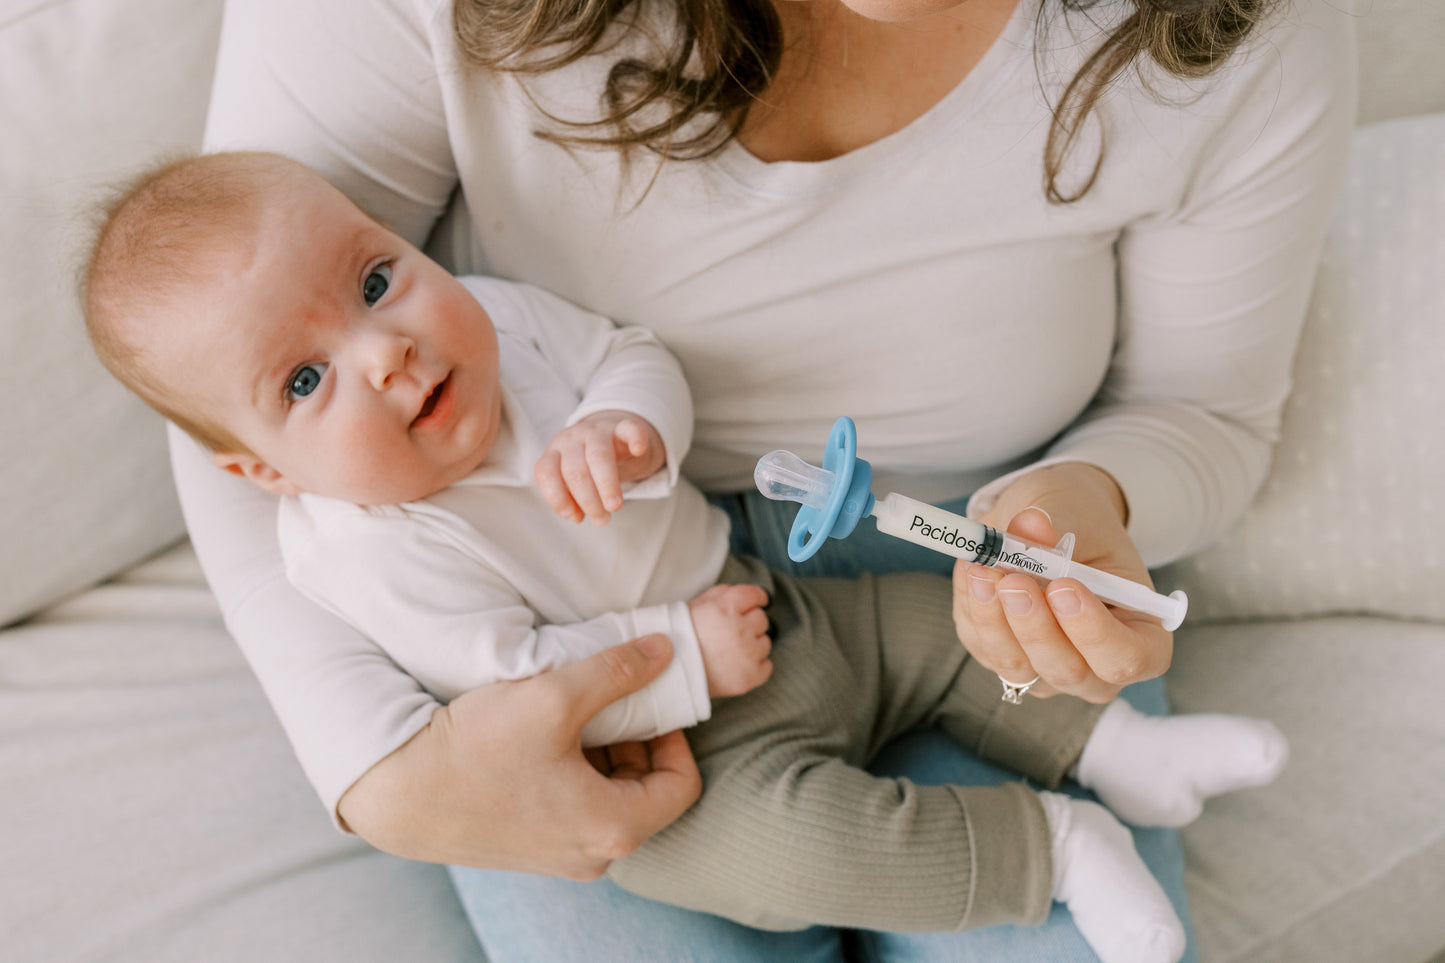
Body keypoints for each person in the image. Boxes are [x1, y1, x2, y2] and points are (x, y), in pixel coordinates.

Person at [181, 0, 1357, 958]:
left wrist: (1089, 499)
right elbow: (233, 368)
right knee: (749, 849)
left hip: (951, 539)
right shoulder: (374, 539)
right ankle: (1042, 844)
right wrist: (380, 771)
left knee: (947, 681)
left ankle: (1105, 761)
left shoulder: (1243, 42)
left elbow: (1199, 412)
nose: (380, 350)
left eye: (385, 294)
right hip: (626, 690)